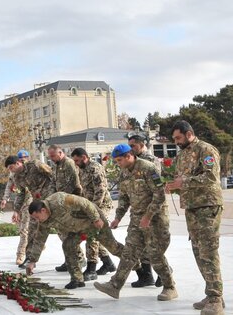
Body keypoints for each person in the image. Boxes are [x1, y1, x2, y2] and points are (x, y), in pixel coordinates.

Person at [94, 144, 177, 302]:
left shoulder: (148, 168)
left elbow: (159, 194)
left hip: (156, 219)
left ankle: (170, 286)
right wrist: (118, 217)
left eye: (119, 160)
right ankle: (115, 286)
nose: (118, 163)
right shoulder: (124, 172)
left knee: (155, 255)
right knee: (129, 253)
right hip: (136, 219)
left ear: (129, 156)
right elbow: (124, 198)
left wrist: (148, 216)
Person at [165, 120, 225, 315]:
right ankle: (211, 293)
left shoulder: (206, 150)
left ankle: (216, 299)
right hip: (192, 208)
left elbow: (211, 177)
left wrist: (184, 182)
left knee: (208, 251)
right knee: (199, 252)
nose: (176, 142)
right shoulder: (182, 154)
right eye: (174, 139)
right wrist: (174, 185)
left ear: (189, 133)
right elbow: (184, 182)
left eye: (178, 138)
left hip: (208, 206)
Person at [26, 193, 124, 290]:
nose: (38, 221)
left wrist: (96, 218)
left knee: (113, 248)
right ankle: (77, 279)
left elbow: (85, 203)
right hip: (78, 229)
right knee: (68, 245)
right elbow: (39, 240)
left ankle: (136, 265)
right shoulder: (44, 221)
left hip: (93, 222)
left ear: (43, 210)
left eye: (37, 217)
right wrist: (32, 261)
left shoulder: (59, 200)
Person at [4, 155, 56, 270]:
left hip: (52, 199)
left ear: (18, 163)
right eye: (9, 169)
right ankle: (29, 258)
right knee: (32, 229)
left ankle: (76, 258)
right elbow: (21, 194)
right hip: (38, 203)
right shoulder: (17, 177)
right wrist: (16, 210)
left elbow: (52, 175)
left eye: (11, 167)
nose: (11, 171)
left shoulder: (35, 165)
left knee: (63, 230)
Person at [72, 147, 116, 279]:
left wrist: (94, 210)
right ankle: (108, 263)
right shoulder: (82, 169)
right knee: (96, 235)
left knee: (92, 233)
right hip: (90, 206)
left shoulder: (94, 168)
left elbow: (100, 191)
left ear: (84, 157)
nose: (76, 163)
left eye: (77, 160)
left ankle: (91, 269)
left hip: (101, 205)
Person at [126, 132, 161, 287]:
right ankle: (147, 276)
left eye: (133, 145)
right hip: (138, 210)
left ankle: (165, 273)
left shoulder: (151, 161)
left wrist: (150, 212)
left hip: (151, 211)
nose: (130, 149)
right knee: (141, 247)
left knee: (153, 245)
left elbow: (157, 188)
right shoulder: (132, 163)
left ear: (141, 144)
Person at [47, 145, 83, 274]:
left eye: (53, 156)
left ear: (60, 153)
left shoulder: (69, 164)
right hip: (60, 203)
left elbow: (75, 184)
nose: (51, 159)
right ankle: (70, 259)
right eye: (49, 156)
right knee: (63, 234)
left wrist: (67, 202)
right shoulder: (56, 166)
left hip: (69, 203)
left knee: (70, 234)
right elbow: (53, 183)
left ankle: (78, 259)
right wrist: (51, 199)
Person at [0, 149, 33, 265]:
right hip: (22, 202)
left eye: (25, 158)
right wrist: (5, 199)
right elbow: (9, 186)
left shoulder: (32, 169)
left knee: (26, 230)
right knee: (23, 229)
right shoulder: (14, 173)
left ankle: (22, 254)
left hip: (34, 201)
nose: (23, 160)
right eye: (21, 158)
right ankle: (24, 252)